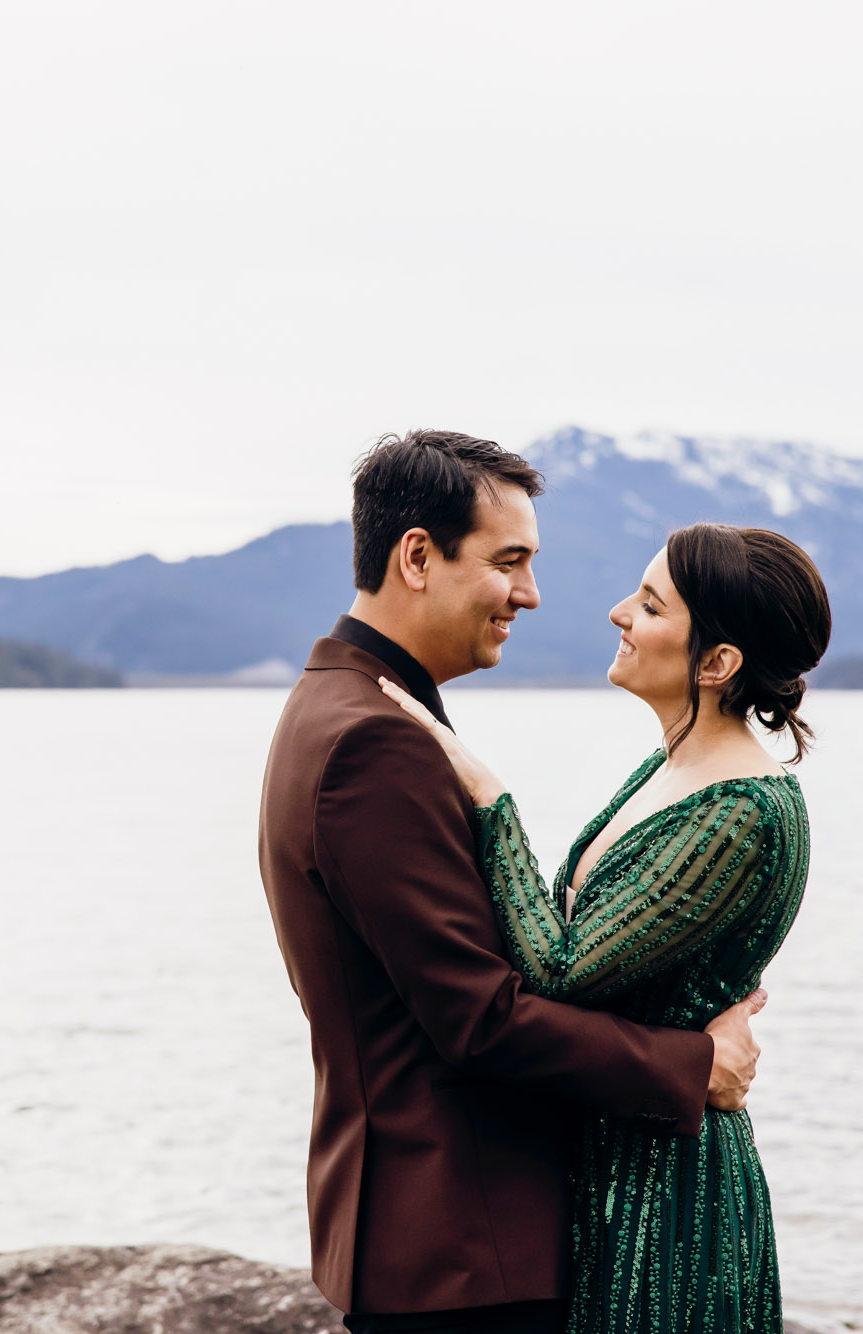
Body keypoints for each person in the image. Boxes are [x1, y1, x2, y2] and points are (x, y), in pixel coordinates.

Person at [257, 430, 768, 1334]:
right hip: (463, 1249)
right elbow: (477, 1019)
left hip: (437, 1240)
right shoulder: (376, 742)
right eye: (510, 562)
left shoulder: (344, 705)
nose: (529, 595)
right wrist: (694, 1066)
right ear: (418, 556)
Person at [381, 522, 831, 1334]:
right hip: (617, 1152)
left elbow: (557, 967)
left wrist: (489, 800)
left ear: (717, 663)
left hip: (666, 1193)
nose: (619, 612)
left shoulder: (742, 814)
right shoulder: (670, 768)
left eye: (651, 606)